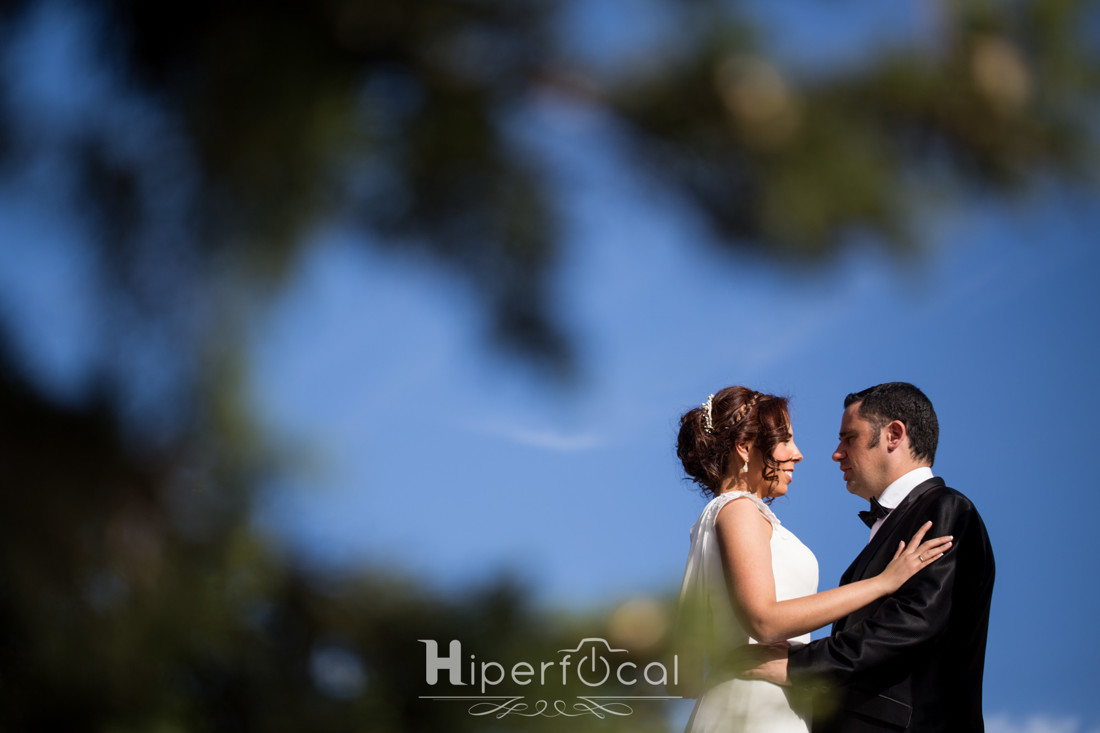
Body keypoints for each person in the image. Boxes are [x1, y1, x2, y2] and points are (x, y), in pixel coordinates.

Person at [672, 385, 952, 733]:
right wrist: (882, 583)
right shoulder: (738, 509)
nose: (798, 453)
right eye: (785, 439)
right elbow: (763, 621)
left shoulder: (739, 514)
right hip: (753, 708)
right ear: (745, 448)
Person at [744, 382, 996, 732]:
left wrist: (798, 665)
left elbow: (911, 623)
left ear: (894, 435)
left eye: (849, 438)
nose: (836, 453)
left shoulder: (946, 508)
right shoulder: (895, 524)